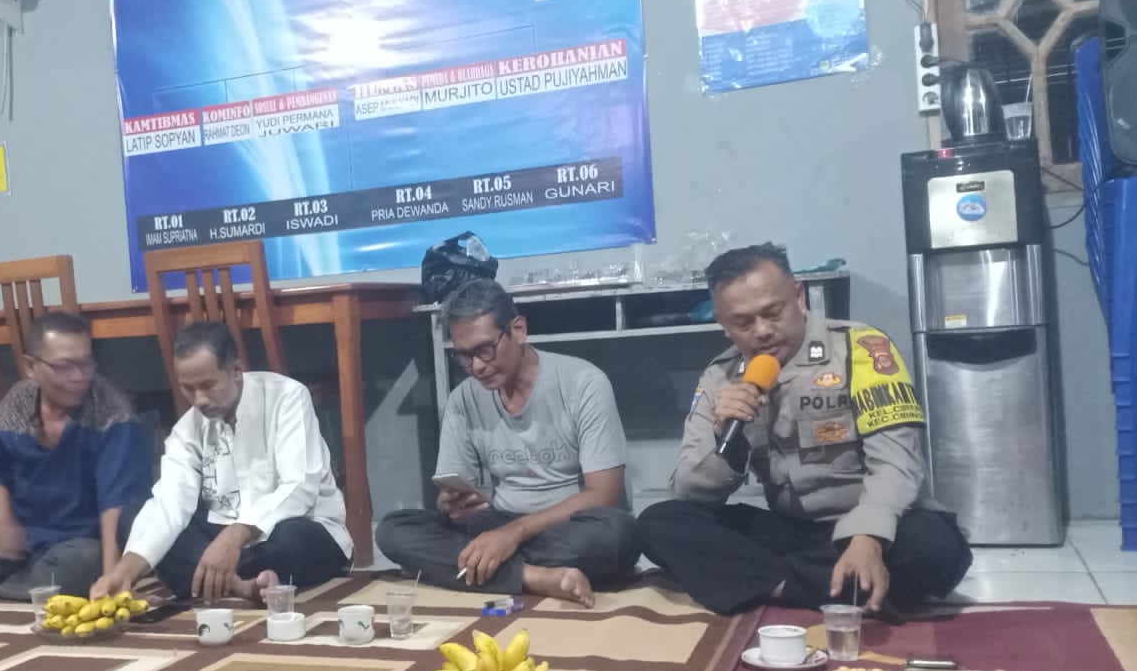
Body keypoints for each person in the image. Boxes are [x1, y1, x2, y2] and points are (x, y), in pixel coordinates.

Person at [637, 244, 972, 616]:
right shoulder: (720, 377)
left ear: (799, 296)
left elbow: (898, 463)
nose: (763, 331)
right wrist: (725, 440)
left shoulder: (860, 348)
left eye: (773, 313)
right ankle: (830, 587)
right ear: (724, 325)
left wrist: (868, 536)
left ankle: (773, 584)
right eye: (744, 323)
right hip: (794, 531)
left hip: (874, 522)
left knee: (933, 547)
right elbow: (688, 492)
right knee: (659, 522)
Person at [376, 279, 638, 608]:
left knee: (617, 535)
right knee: (393, 530)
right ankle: (534, 577)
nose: (476, 366)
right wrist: (453, 504)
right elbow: (456, 494)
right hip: (498, 521)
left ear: (518, 330)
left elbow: (604, 495)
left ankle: (472, 568)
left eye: (484, 350)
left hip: (568, 527)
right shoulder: (463, 399)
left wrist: (512, 535)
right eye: (464, 356)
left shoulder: (584, 383)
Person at [89, 321, 350, 603]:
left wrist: (235, 536)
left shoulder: (287, 396)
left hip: (294, 531)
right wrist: (125, 570)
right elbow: (170, 505)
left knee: (290, 539)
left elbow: (299, 486)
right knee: (134, 516)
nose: (199, 400)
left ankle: (212, 581)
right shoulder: (188, 428)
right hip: (222, 541)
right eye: (188, 389)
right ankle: (242, 587)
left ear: (236, 371)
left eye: (207, 385)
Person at [0, 313, 151, 601]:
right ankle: (24, 582)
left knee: (78, 567)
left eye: (85, 363)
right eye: (64, 366)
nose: (79, 376)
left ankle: (12, 586)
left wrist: (111, 575)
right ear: (30, 367)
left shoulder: (113, 414)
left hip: (82, 539)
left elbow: (115, 507)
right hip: (25, 533)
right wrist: (2, 521)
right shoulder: (18, 402)